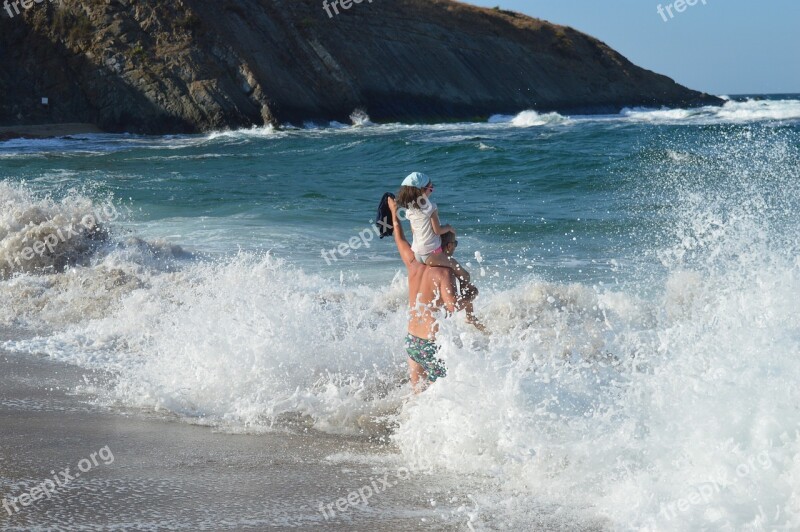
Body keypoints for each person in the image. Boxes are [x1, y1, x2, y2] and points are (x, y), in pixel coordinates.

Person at [387, 197, 478, 393]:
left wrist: (394, 213)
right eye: (455, 243)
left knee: (418, 393)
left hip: (412, 340)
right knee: (444, 394)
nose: (455, 247)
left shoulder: (413, 263)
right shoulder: (444, 273)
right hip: (430, 344)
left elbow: (400, 239)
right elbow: (453, 306)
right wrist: (471, 295)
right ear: (447, 248)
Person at [396, 172, 470, 282]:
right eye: (430, 188)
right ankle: (465, 293)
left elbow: (413, 231)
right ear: (421, 191)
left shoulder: (409, 210)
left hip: (417, 254)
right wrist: (448, 227)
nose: (432, 190)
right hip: (430, 254)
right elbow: (437, 230)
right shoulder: (431, 207)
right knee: (462, 272)